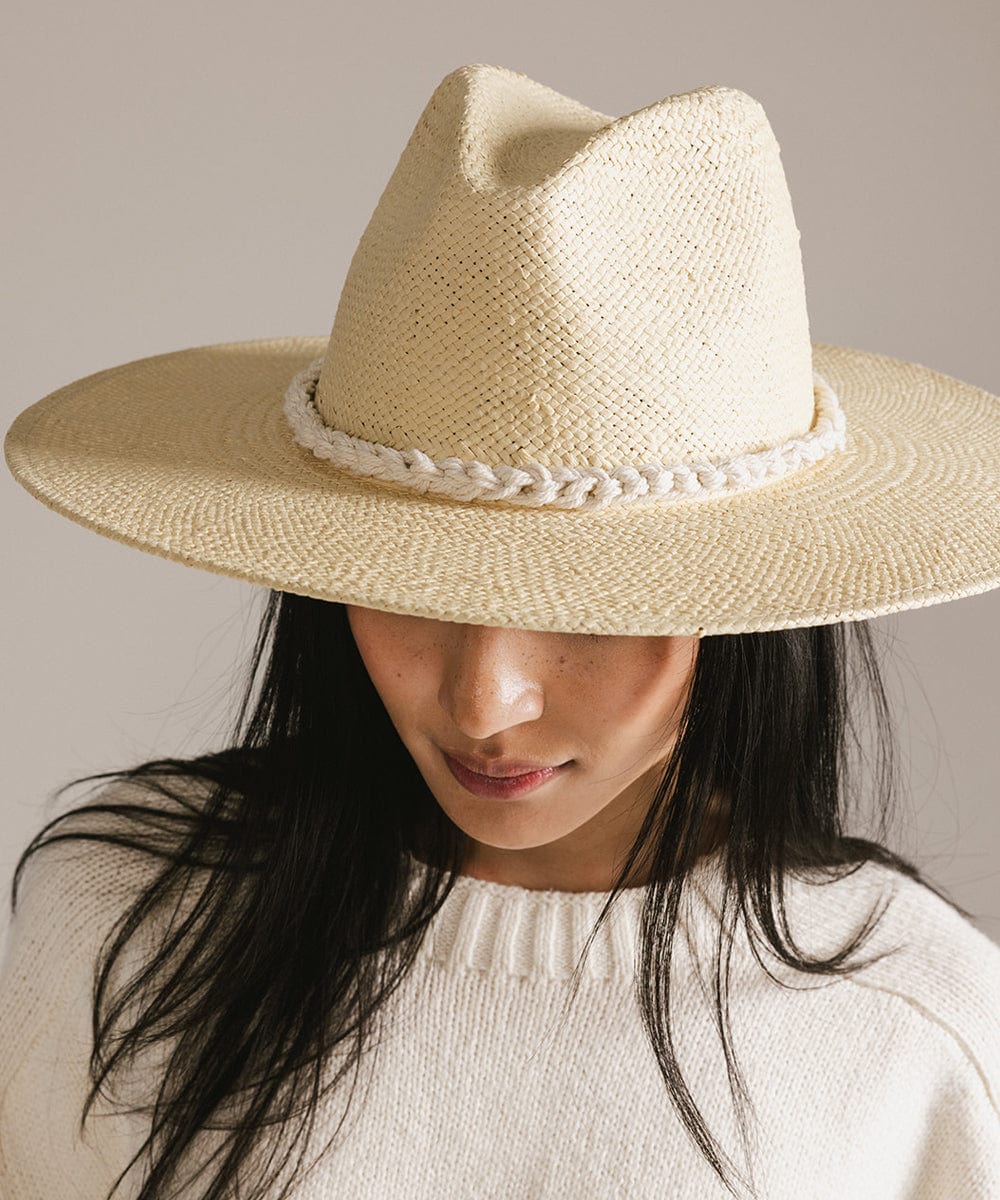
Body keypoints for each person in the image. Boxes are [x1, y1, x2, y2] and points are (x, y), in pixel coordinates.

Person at [1, 61, 998, 1200]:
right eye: (414, 587)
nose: (484, 706)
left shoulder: (917, 1040)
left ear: (744, 612)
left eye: (583, 610)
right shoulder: (125, 914)